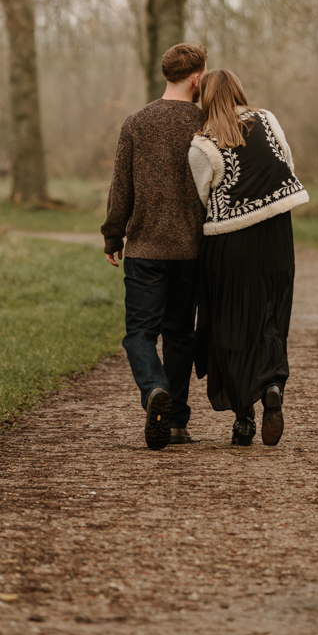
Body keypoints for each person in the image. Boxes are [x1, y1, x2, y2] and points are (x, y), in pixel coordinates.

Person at [188, 70, 309, 447]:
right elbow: (287, 163)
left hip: (230, 242)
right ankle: (272, 384)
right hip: (276, 234)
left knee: (231, 324)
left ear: (205, 99)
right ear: (239, 91)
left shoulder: (202, 144)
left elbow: (200, 199)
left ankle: (244, 417)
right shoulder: (268, 120)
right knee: (270, 315)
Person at [102, 42, 207, 451]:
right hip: (193, 250)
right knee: (180, 335)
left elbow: (121, 186)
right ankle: (176, 423)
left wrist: (113, 234)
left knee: (140, 334)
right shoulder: (206, 122)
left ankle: (153, 390)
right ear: (196, 78)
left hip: (146, 248)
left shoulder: (137, 122)